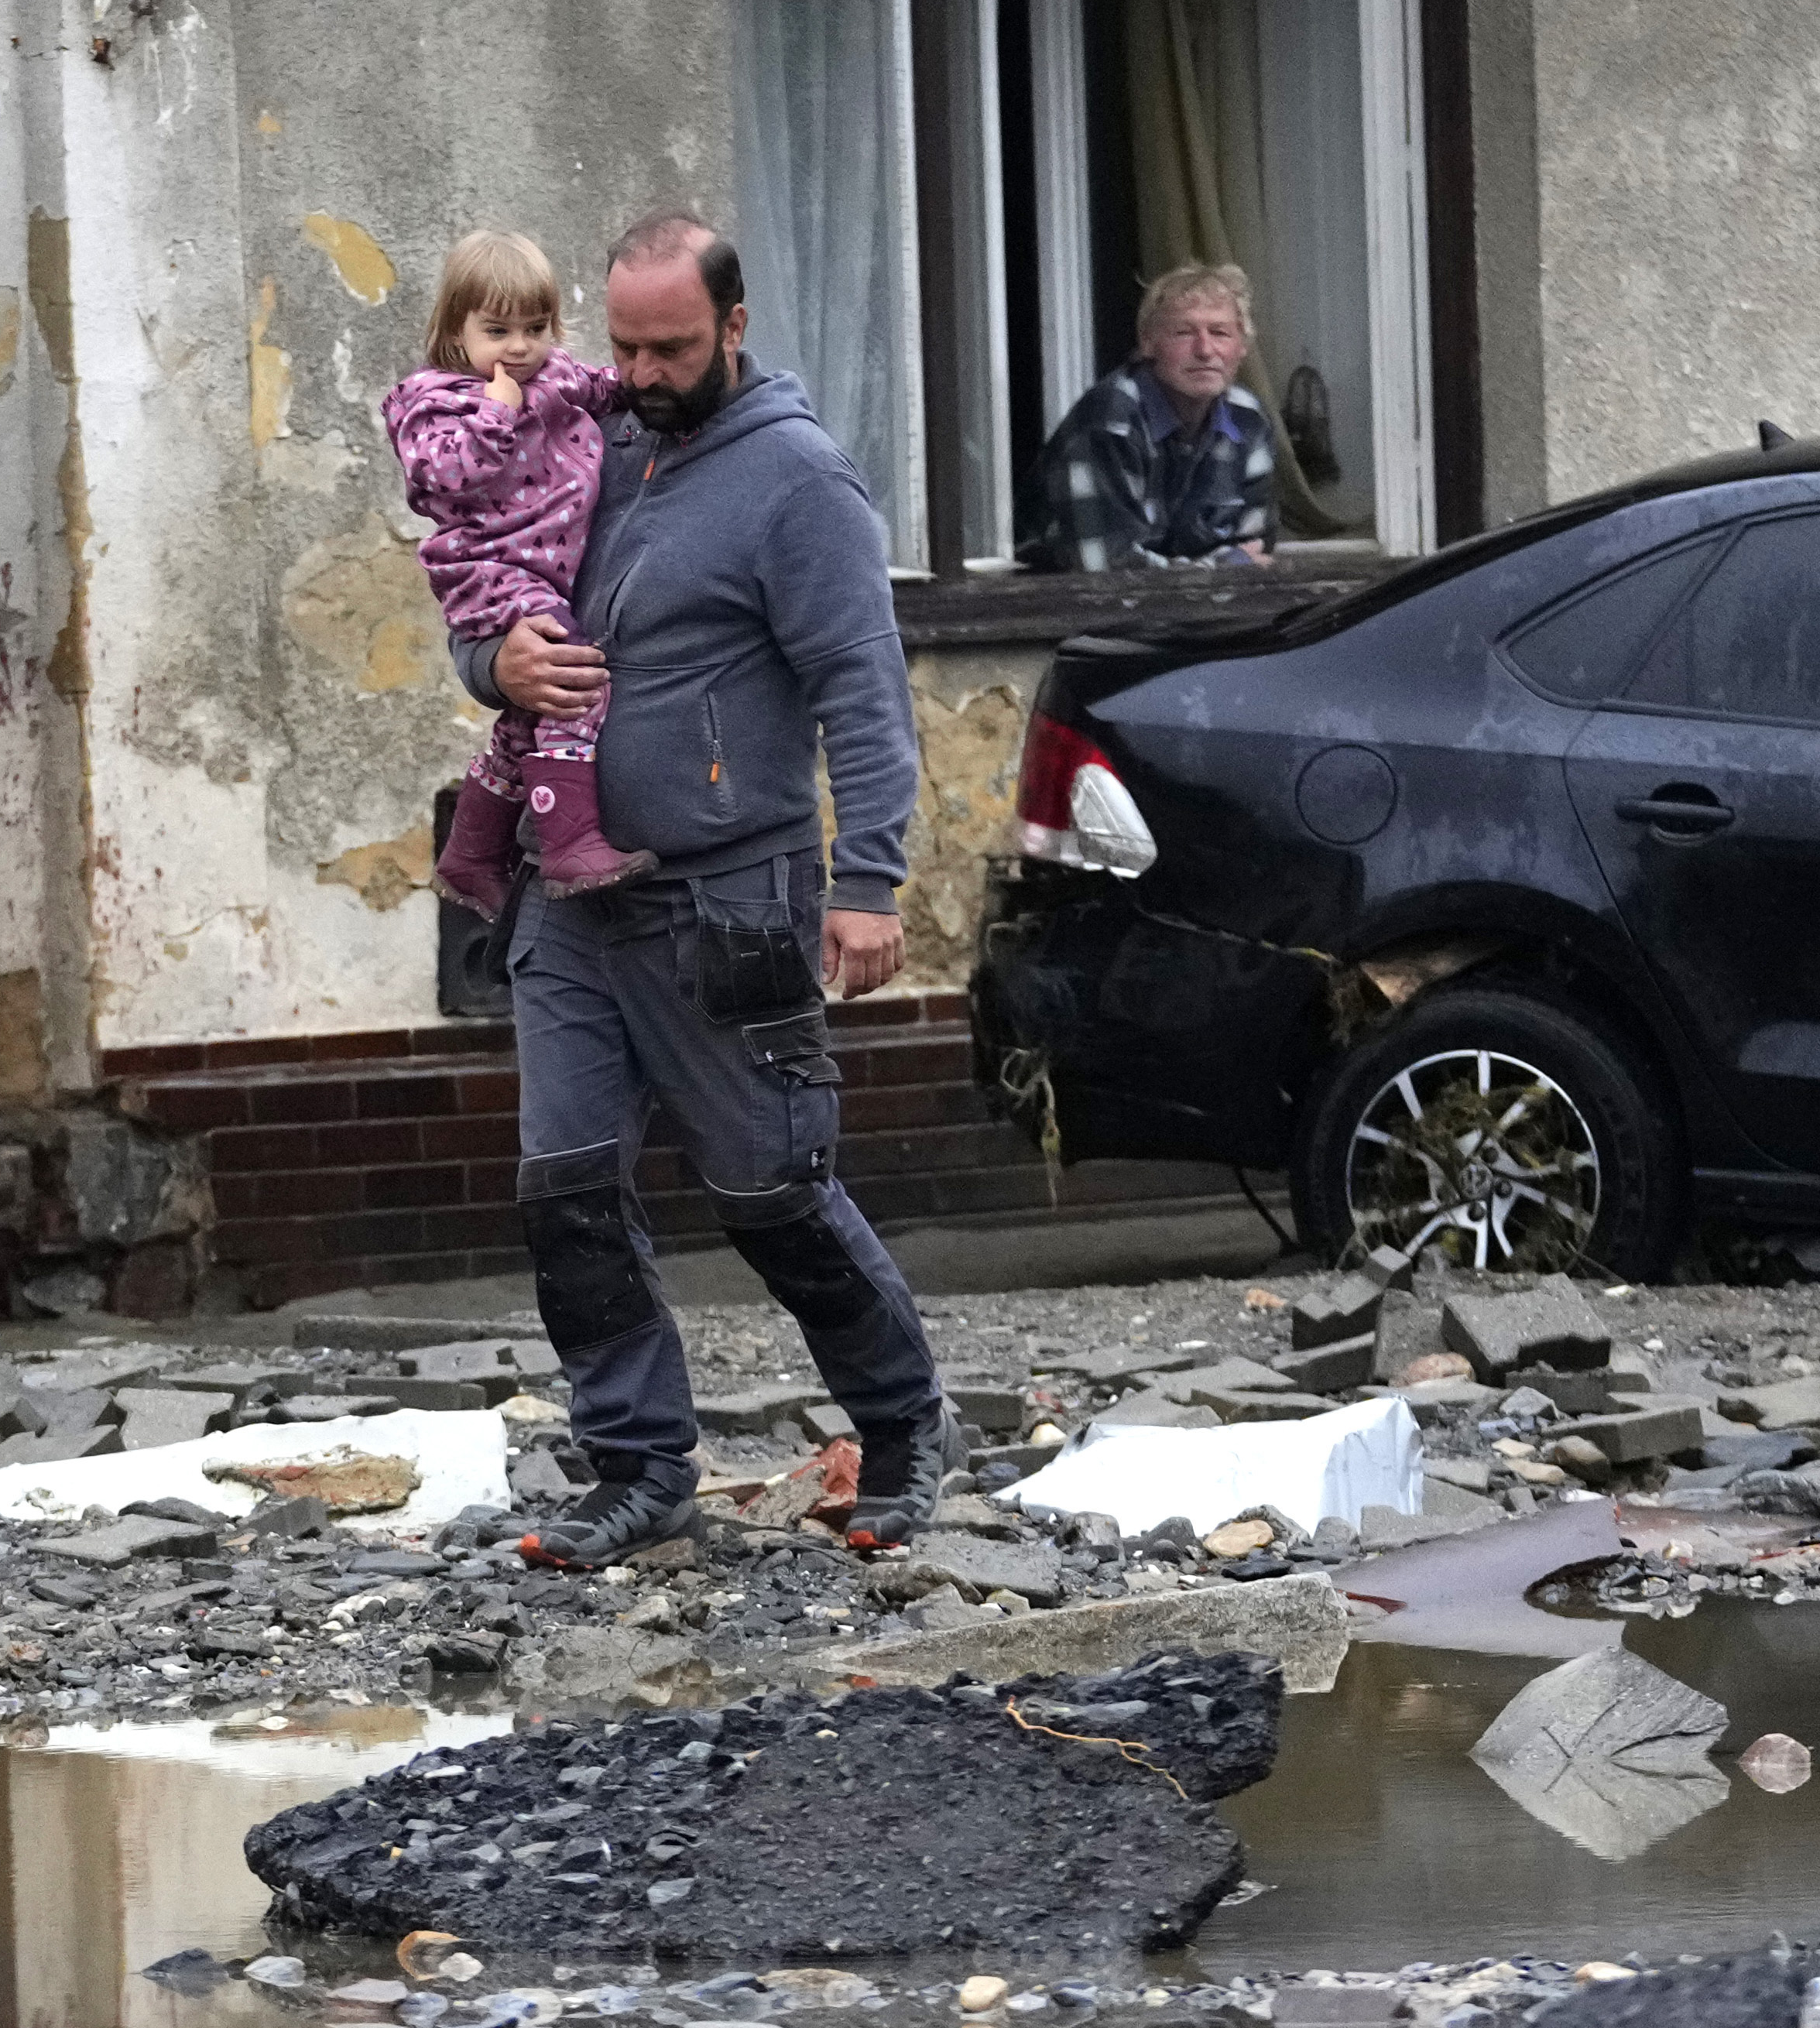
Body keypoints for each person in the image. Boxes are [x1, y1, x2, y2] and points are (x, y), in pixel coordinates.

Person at [468, 213, 959, 1570]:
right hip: (569, 899)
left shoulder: (799, 484)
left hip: (727, 898)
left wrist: (867, 880)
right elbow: (488, 589)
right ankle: (636, 1468)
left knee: (772, 1188)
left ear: (733, 327)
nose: (640, 370)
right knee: (565, 1190)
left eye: (670, 345)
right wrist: (490, 666)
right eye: (620, 343)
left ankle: (907, 1429)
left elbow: (862, 689)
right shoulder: (588, 447)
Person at [379, 230, 650, 917]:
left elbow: (603, 387)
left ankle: (471, 855)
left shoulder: (553, 375)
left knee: (527, 722)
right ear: (455, 331)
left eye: (535, 328)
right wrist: (495, 416)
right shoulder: (436, 401)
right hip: (490, 570)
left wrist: (644, 380)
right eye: (497, 330)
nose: (520, 348)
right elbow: (440, 477)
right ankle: (570, 842)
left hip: (544, 575)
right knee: (572, 684)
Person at [1021, 263, 1278, 570]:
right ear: (1148, 343)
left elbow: (1253, 552)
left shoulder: (1248, 419)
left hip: (1200, 611)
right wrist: (1217, 568)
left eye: (1220, 332)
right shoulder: (1109, 423)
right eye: (1183, 333)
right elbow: (1105, 571)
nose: (1205, 350)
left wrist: (1219, 568)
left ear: (1242, 347)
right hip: (1058, 610)